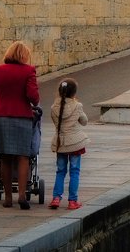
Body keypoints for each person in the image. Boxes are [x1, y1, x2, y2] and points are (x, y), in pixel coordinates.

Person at [0, 40, 40, 210]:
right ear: (24, 56)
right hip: (22, 116)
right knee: (23, 157)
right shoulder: (29, 71)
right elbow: (33, 97)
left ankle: (8, 198)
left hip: (1, 118)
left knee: (4, 157)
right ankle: (21, 195)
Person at [49, 78, 88, 211]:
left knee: (60, 171)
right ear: (74, 93)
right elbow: (84, 121)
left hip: (61, 143)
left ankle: (56, 198)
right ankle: (72, 201)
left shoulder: (54, 107)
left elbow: (56, 123)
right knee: (74, 172)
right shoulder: (77, 106)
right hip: (75, 143)